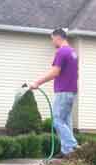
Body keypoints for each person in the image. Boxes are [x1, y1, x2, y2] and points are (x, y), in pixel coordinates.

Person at [30, 28, 78, 157]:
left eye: (52, 39)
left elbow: (54, 72)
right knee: (66, 122)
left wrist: (37, 83)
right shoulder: (72, 52)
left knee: (57, 121)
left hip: (63, 92)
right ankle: (67, 151)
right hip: (71, 91)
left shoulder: (62, 52)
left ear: (58, 37)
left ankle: (72, 146)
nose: (52, 42)